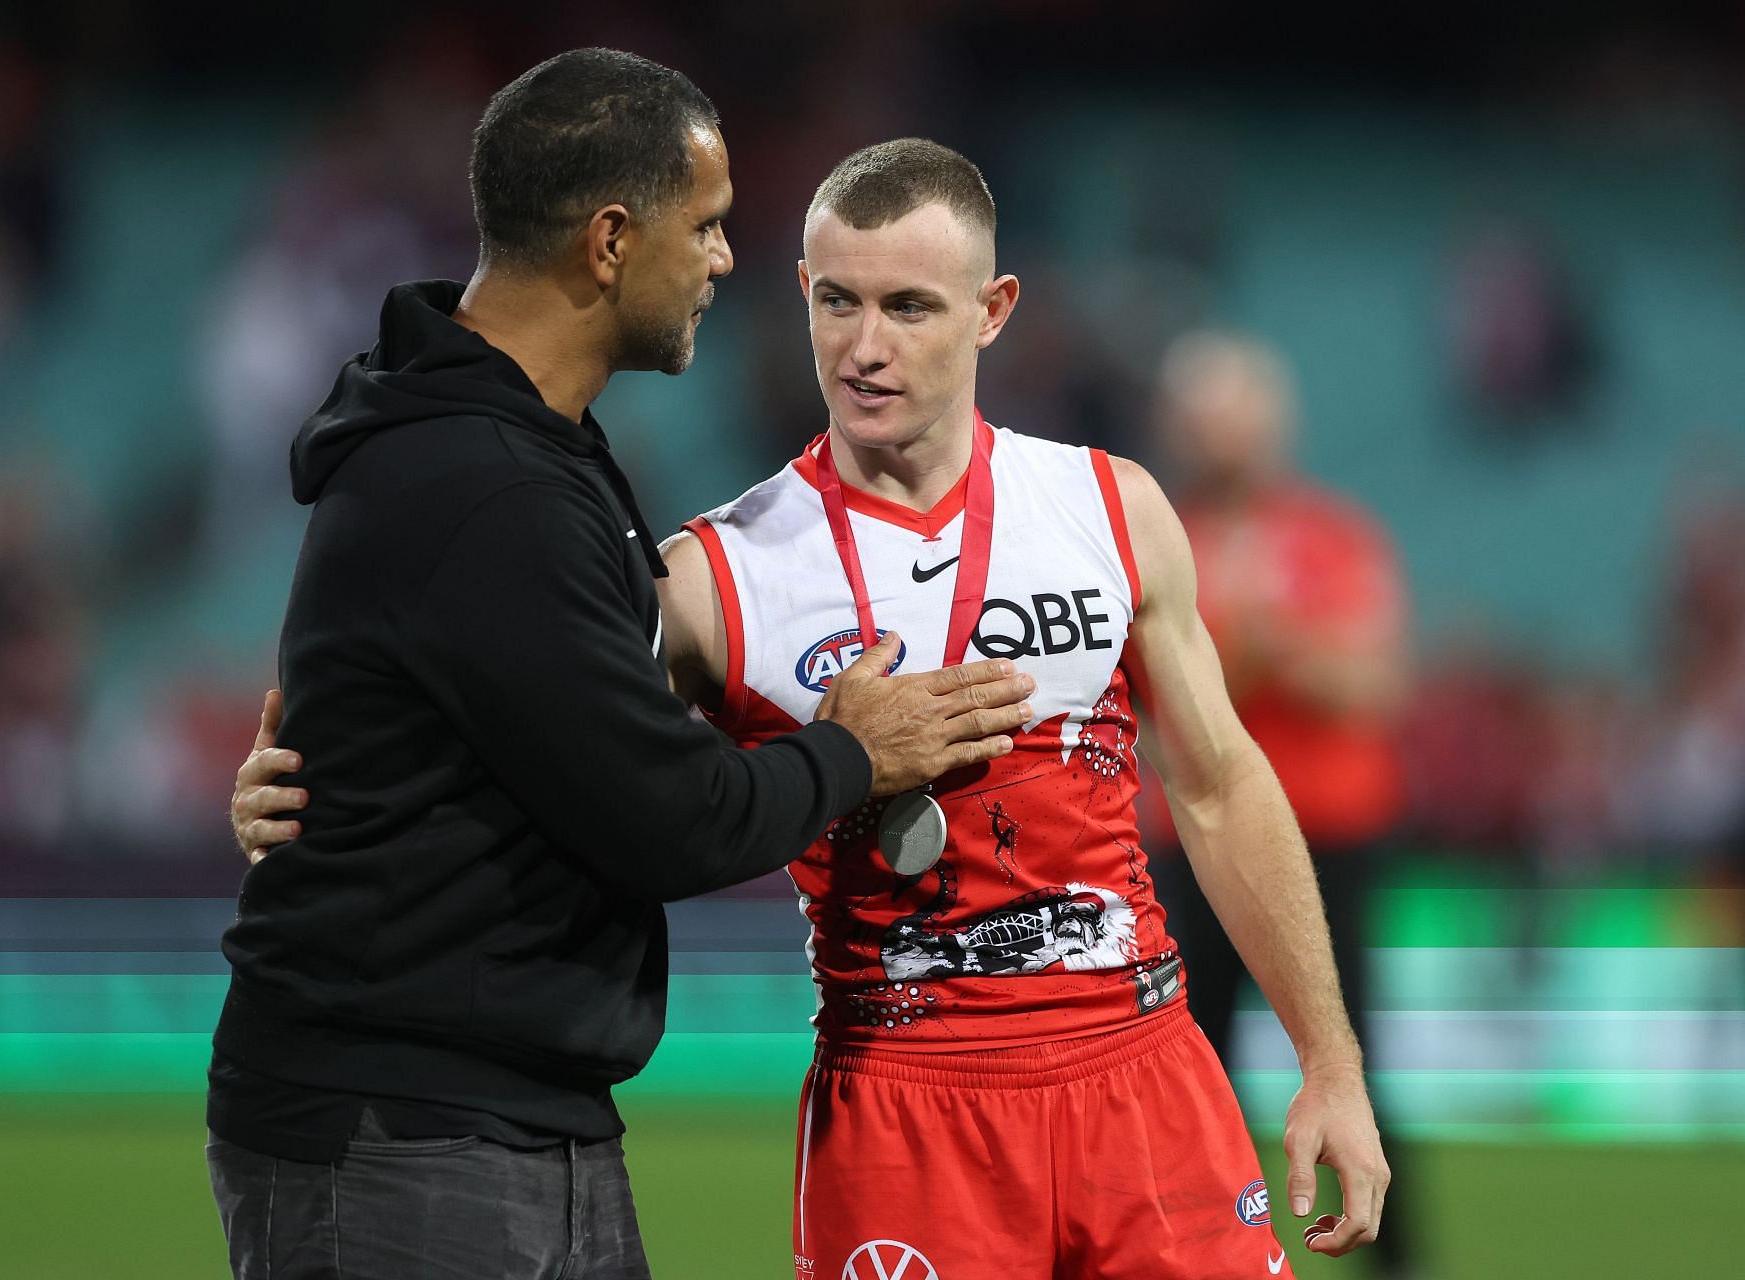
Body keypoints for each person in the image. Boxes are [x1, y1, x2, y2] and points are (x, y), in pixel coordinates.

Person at [236, 138, 1389, 1279]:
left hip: (1141, 1072)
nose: (866, 347)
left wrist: (1329, 1062)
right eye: (837, 301)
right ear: (801, 294)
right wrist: (331, 777)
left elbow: (1219, 782)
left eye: (909, 307)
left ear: (994, 309)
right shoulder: (712, 578)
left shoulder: (1111, 507)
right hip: (904, 1104)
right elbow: (557, 764)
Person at [205, 54, 1036, 1280]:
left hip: (498, 1115)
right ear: (609, 239)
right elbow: (667, 815)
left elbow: (474, 720)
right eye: (702, 223)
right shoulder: (486, 487)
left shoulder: (519, 447)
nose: (722, 258)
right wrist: (859, 749)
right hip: (403, 1134)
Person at [1146, 332, 1417, 1278]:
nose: (1219, 440)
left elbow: (1371, 683)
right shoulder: (1158, 534)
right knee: (1189, 1068)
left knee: (1351, 1056)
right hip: (1190, 843)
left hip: (1331, 835)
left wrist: (1256, 643)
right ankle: (1193, 1251)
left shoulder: (1331, 535)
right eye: (1202, 420)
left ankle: (1395, 1257)